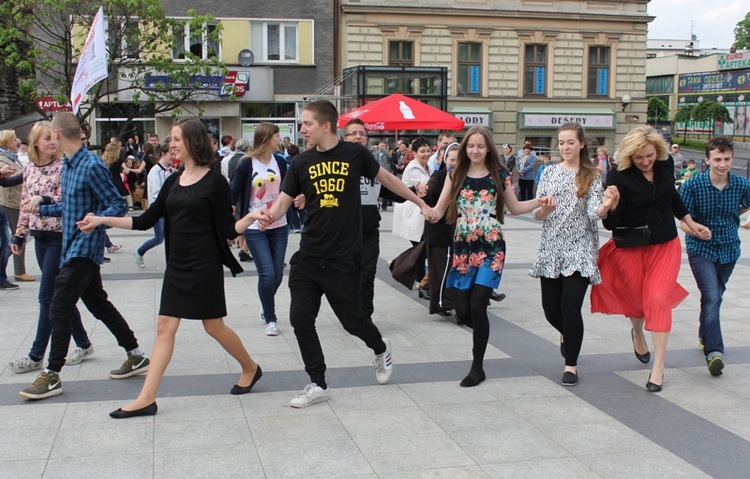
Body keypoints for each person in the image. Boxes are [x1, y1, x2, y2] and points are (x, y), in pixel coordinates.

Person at [78, 118, 262, 418]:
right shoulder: (173, 180)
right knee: (165, 326)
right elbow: (145, 220)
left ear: (193, 141)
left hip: (205, 265)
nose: (171, 145)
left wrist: (253, 217)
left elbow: (229, 230)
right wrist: (102, 220)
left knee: (213, 326)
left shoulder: (216, 182)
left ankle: (250, 367)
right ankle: (147, 398)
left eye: (176, 139)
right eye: (170, 140)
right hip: (177, 264)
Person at [254, 99, 432, 408]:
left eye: (307, 123)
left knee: (354, 322)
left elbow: (389, 180)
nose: (301, 129)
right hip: (309, 256)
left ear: (325, 125)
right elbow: (282, 203)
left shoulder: (356, 154)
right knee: (300, 319)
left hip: (343, 259)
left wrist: (420, 203)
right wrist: (268, 214)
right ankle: (317, 382)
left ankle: (380, 348)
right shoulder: (300, 162)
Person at [18, 112, 150, 401]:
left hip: (85, 248)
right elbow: (70, 206)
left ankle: (52, 373)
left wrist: (98, 220)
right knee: (98, 305)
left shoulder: (91, 165)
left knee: (58, 304)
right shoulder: (67, 164)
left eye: (50, 134)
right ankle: (136, 354)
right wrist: (40, 207)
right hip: (71, 246)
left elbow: (117, 204)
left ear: (57, 134)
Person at [591, 125, 709, 393]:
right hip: (631, 247)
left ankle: (659, 367)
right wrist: (613, 204)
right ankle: (637, 331)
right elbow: (611, 225)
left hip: (665, 244)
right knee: (637, 301)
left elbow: (672, 197)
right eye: (639, 157)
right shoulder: (618, 175)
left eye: (649, 155)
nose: (645, 161)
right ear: (630, 156)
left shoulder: (665, 165)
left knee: (656, 299)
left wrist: (690, 222)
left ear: (658, 151)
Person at [432, 126, 548, 387]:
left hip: (492, 245)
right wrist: (421, 205)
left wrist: (540, 200)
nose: (475, 150)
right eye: (471, 145)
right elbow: (438, 209)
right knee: (462, 309)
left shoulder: (500, 174)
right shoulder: (454, 173)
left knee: (477, 304)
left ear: (488, 149)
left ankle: (477, 367)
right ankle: (481, 334)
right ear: (465, 148)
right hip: (463, 246)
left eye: (480, 146)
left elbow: (515, 207)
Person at [529, 123, 617, 386]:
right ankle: (568, 336)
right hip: (552, 248)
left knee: (570, 308)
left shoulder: (592, 174)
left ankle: (571, 365)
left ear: (581, 144)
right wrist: (544, 208)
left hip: (580, 248)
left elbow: (594, 214)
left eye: (569, 142)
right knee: (550, 310)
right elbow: (539, 213)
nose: (565, 147)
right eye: (561, 143)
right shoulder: (549, 172)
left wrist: (605, 206)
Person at [8, 121, 95, 373]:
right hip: (40, 235)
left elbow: (68, 199)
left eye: (53, 137)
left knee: (47, 298)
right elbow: (26, 204)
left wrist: (44, 199)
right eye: (46, 138)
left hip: (59, 235)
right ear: (35, 142)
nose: (52, 142)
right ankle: (84, 342)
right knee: (60, 298)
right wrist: (19, 236)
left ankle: (36, 355)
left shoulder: (62, 167)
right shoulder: (29, 169)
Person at [679, 136, 750, 377]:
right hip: (701, 249)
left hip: (730, 249)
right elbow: (683, 222)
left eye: (727, 159)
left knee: (715, 296)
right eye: (717, 159)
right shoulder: (693, 186)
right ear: (707, 159)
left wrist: (740, 217)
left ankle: (704, 333)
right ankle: (714, 352)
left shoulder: (741, 185)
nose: (722, 164)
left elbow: (745, 205)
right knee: (711, 296)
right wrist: (696, 229)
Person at [230, 122, 290, 337]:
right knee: (266, 273)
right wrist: (232, 218)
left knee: (277, 275)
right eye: (277, 136)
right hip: (255, 226)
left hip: (279, 225)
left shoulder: (281, 162)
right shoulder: (247, 164)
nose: (280, 140)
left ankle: (265, 305)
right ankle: (271, 318)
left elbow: (288, 189)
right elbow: (234, 192)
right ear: (267, 138)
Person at [422, 142, 460, 316]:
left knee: (453, 269)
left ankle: (451, 303)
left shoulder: (465, 178)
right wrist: (423, 192)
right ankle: (443, 303)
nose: (455, 162)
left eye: (459, 159)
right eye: (452, 159)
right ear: (444, 160)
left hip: (456, 234)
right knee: (440, 271)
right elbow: (430, 196)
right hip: (439, 233)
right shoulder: (439, 177)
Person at [392, 137, 432, 297]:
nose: (426, 154)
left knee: (421, 247)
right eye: (422, 151)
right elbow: (427, 186)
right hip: (412, 213)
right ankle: (419, 279)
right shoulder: (414, 168)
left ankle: (403, 268)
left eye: (428, 150)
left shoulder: (426, 166)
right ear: (414, 153)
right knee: (423, 247)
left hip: (419, 213)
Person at [134, 140, 173, 269]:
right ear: (163, 154)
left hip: (169, 210)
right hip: (159, 209)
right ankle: (139, 251)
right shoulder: (155, 172)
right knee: (159, 238)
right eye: (170, 154)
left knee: (170, 238)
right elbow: (155, 193)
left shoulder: (170, 170)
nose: (173, 157)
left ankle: (171, 263)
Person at [0, 130, 33, 282]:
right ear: (7, 143)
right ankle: (18, 270)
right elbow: (7, 181)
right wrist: (27, 173)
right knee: (16, 237)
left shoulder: (13, 156)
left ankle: (19, 270)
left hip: (17, 200)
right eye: (14, 140)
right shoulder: (3, 158)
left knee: (16, 236)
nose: (18, 142)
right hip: (9, 201)